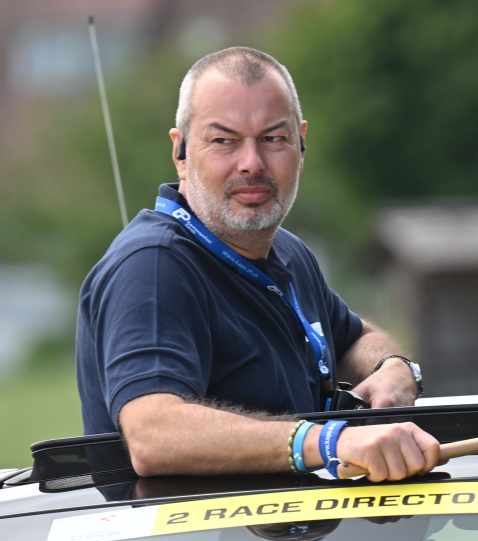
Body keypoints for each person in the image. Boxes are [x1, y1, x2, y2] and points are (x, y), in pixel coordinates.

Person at [75, 47, 439, 483]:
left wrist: (394, 368)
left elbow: (354, 338)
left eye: (273, 138)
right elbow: (153, 433)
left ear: (301, 143)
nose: (252, 163)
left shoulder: (287, 253)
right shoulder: (154, 266)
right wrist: (329, 443)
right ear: (181, 151)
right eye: (224, 140)